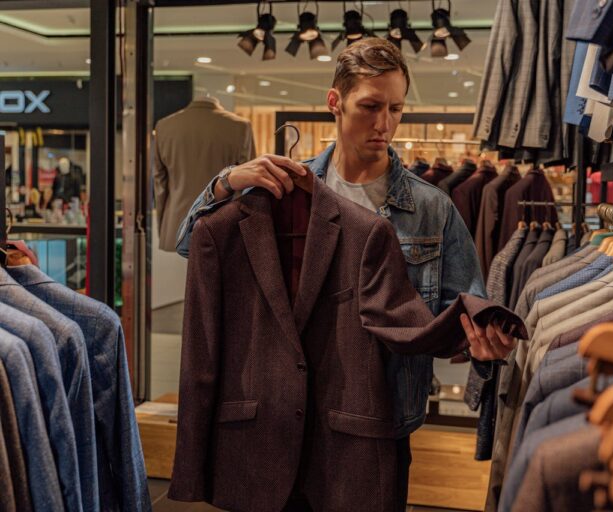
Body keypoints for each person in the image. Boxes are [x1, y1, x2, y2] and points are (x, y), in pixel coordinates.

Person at [175, 38, 514, 510]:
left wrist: (483, 347)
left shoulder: (431, 208)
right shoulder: (283, 187)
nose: (385, 124)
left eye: (396, 108)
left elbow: (465, 306)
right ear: (334, 102)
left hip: (378, 420)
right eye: (370, 106)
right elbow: (193, 245)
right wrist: (224, 184)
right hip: (274, 416)